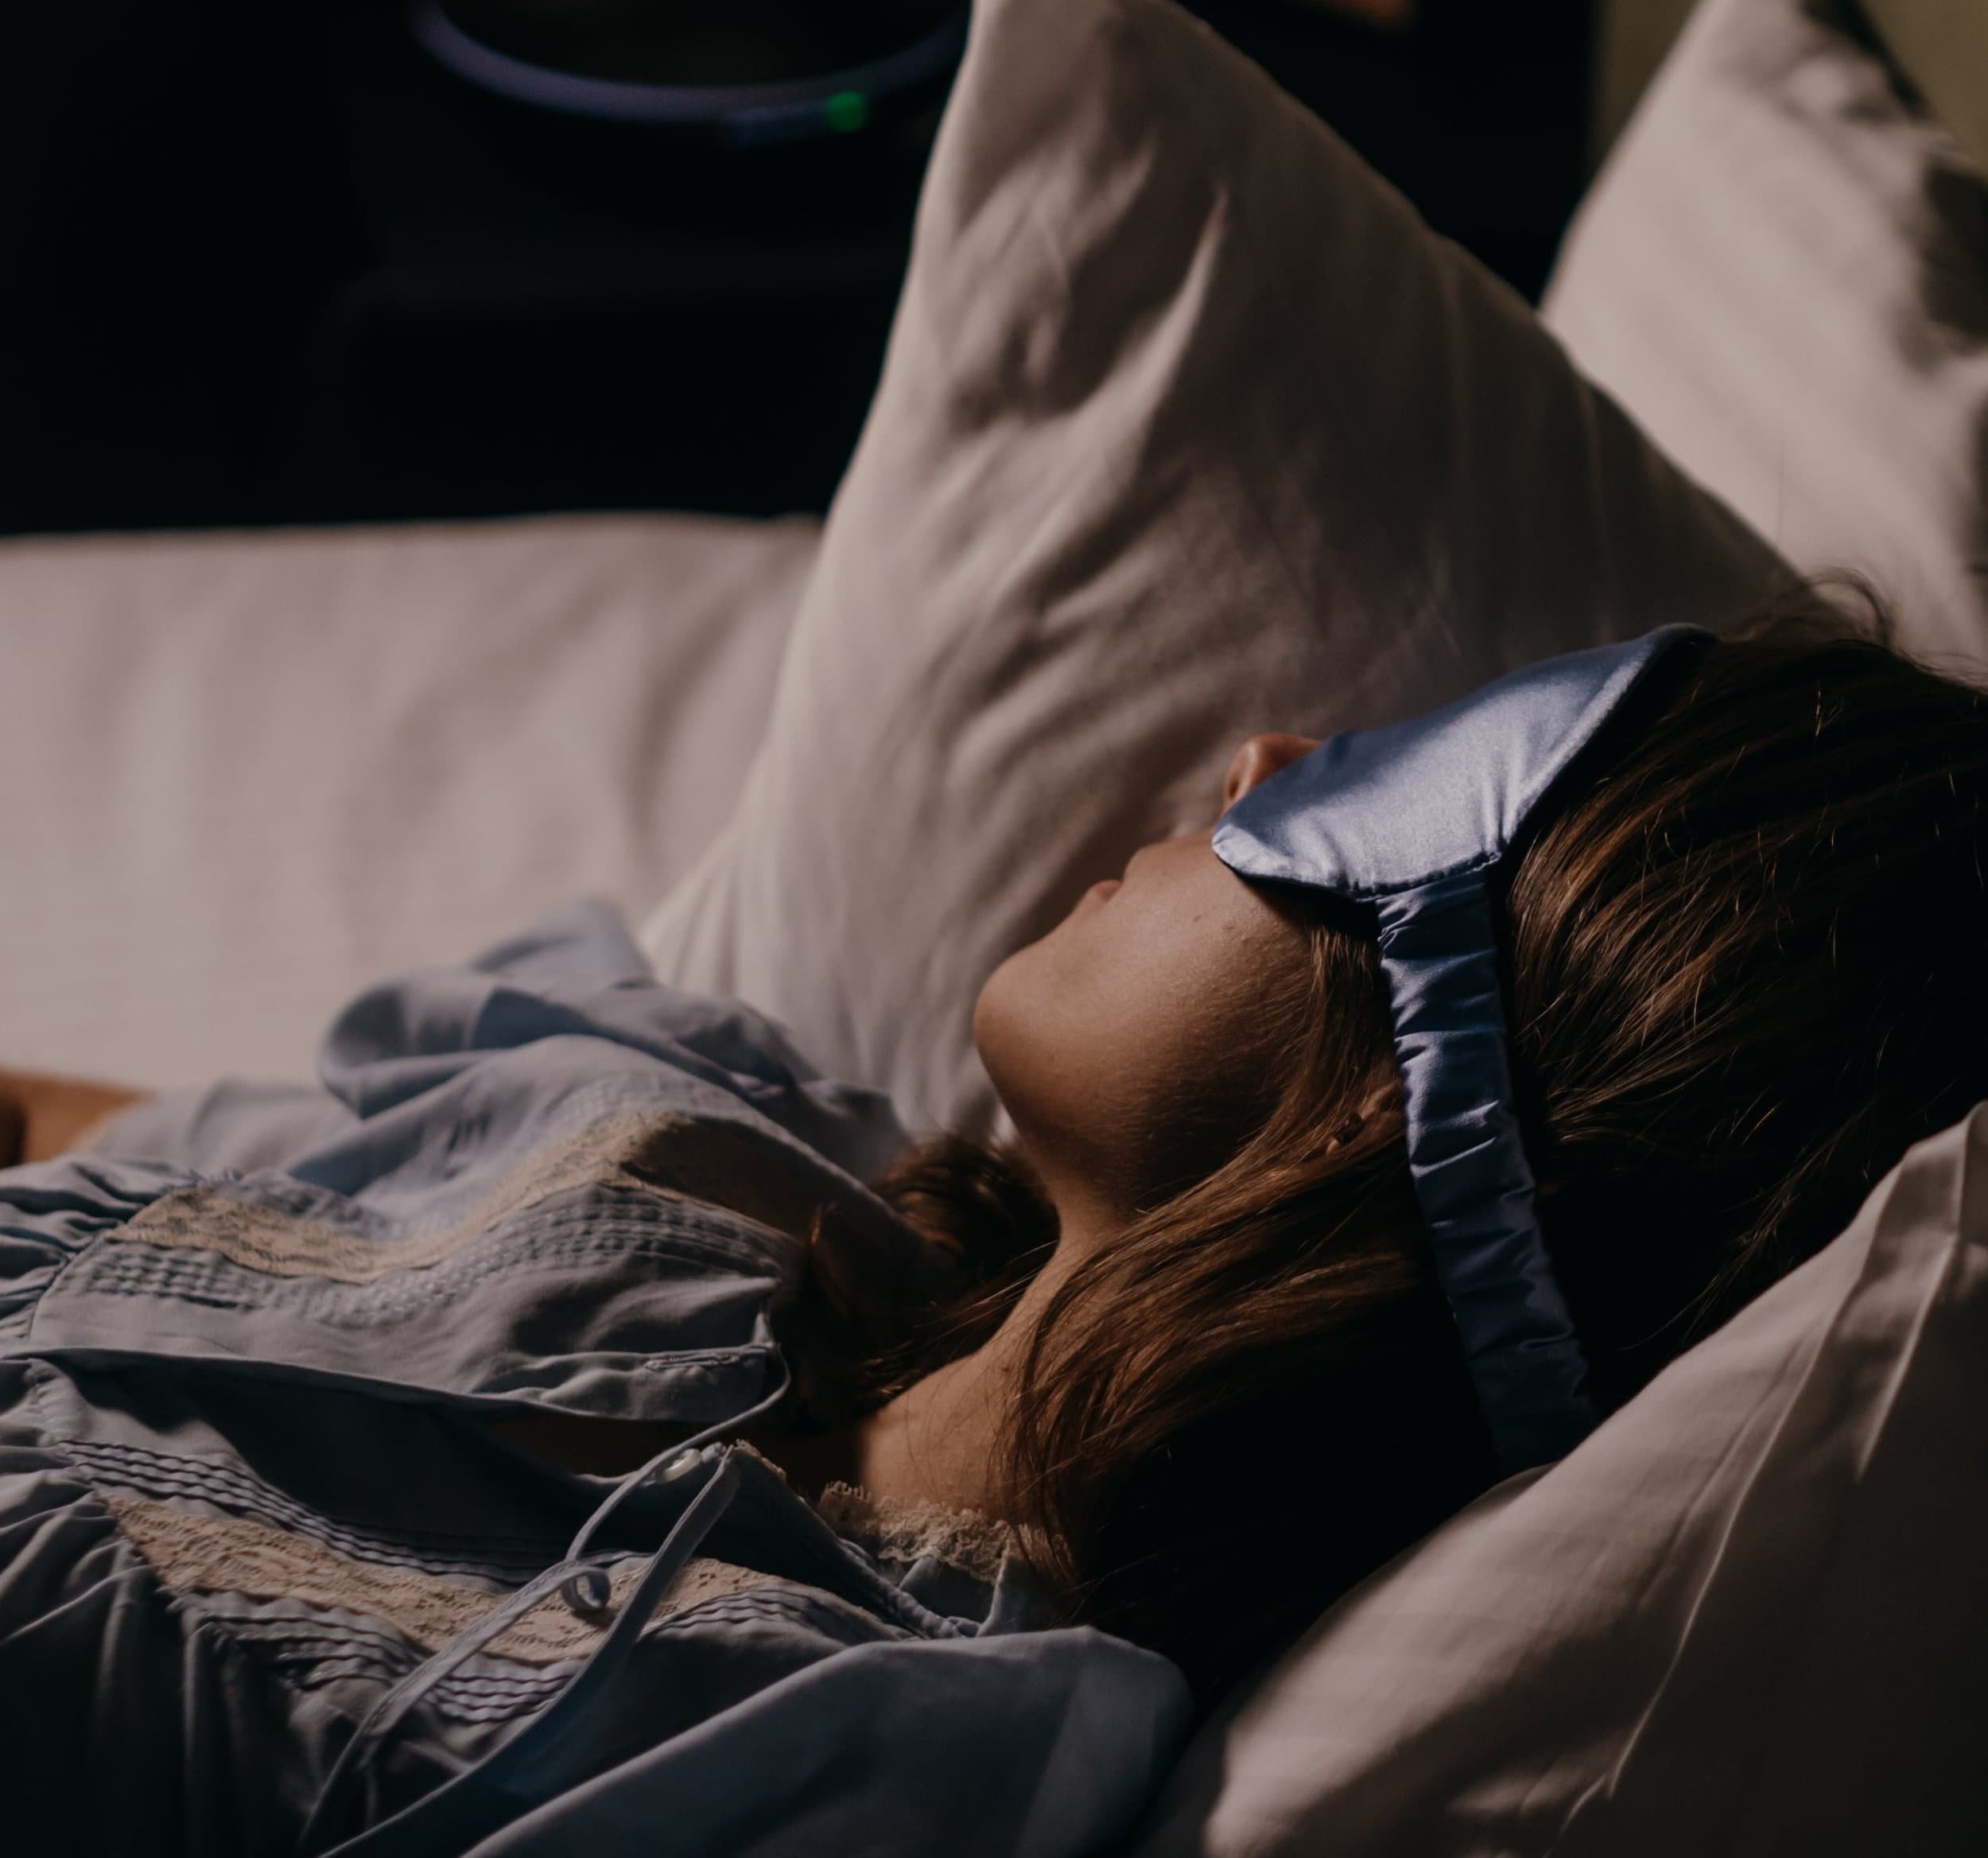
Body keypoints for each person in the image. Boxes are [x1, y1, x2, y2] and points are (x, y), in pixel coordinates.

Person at [2, 609, 1985, 1856]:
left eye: (1381, 786)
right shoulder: (698, 1137)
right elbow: (87, 1154)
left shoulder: (841, 1751)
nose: (1263, 752)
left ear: (1442, 1084)